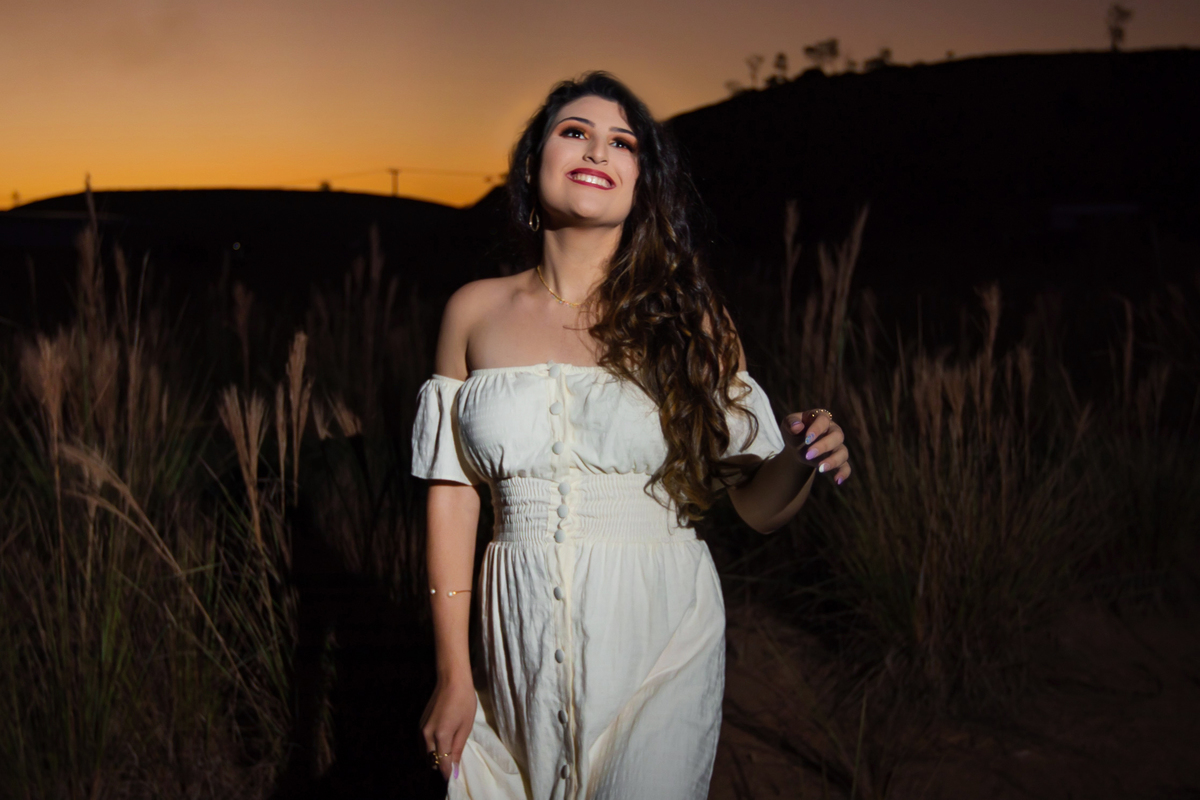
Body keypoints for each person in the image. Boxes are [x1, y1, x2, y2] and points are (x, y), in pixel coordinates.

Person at [412, 71, 851, 800]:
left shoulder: (690, 318)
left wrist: (802, 452)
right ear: (532, 163)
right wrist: (454, 674)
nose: (598, 149)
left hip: (660, 626)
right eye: (574, 131)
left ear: (642, 183)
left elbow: (755, 507)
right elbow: (453, 497)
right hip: (515, 631)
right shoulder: (473, 313)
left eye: (623, 142)